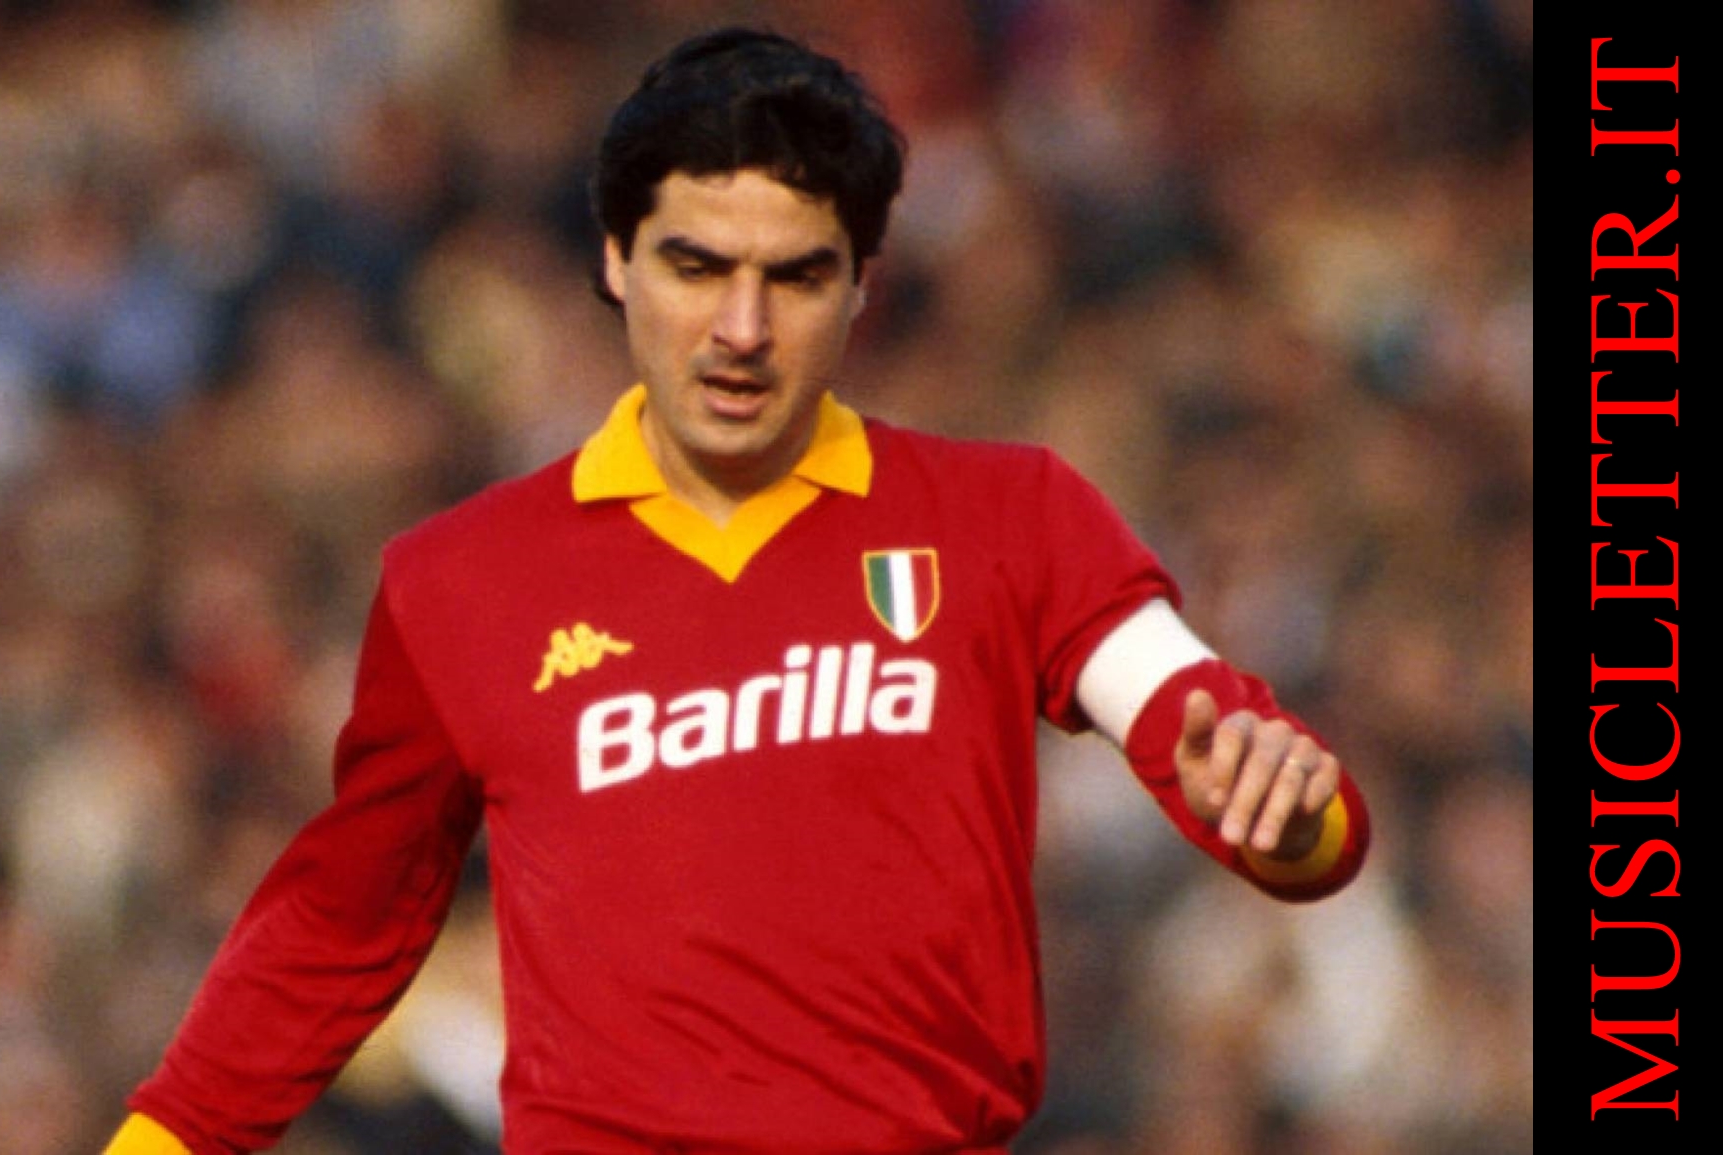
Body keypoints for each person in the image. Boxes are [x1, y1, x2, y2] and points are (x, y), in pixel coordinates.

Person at [105, 27, 1369, 1155]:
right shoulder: (458, 582)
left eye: (798, 275)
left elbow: (1226, 749)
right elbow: (338, 926)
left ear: (862, 282)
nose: (743, 329)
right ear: (616, 261)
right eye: (697, 266)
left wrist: (1283, 814)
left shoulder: (1009, 518)